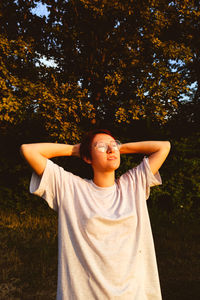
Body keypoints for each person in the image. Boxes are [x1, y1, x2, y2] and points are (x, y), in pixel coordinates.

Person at [20, 129, 171, 300]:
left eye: (113, 145)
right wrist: (75, 150)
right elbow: (29, 150)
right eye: (101, 146)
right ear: (87, 158)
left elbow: (163, 147)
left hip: (133, 294)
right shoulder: (71, 188)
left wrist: (120, 147)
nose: (110, 150)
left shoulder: (133, 185)